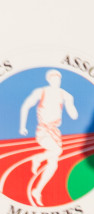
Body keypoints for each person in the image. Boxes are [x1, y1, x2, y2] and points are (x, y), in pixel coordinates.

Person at [19, 69, 77, 206]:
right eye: (54, 78)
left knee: (53, 165)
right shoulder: (41, 92)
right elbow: (25, 107)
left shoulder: (65, 94)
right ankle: (37, 158)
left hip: (55, 132)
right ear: (49, 79)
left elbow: (73, 115)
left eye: (58, 78)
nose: (56, 80)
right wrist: (22, 126)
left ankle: (37, 191)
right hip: (44, 130)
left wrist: (71, 103)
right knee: (57, 151)